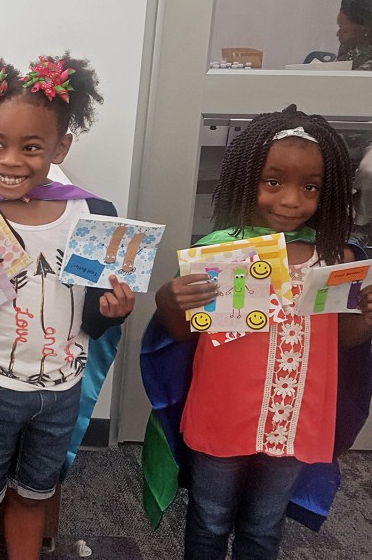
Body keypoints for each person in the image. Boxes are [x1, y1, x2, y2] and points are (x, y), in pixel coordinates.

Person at [0, 55, 135, 560]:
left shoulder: (93, 216)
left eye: (31, 147)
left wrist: (113, 311)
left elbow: (92, 319)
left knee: (33, 494)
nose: (11, 160)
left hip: (60, 389)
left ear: (60, 147)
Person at [146, 106, 372, 559]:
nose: (291, 201)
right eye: (273, 182)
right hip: (223, 411)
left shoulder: (336, 256)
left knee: (265, 526)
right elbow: (180, 335)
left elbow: (344, 342)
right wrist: (169, 302)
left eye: (310, 187)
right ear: (246, 179)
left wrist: (365, 318)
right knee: (209, 518)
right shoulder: (220, 253)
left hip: (295, 417)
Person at [336, 0, 372, 70]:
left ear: (365, 30)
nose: (338, 34)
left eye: (345, 31)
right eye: (339, 27)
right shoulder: (348, 46)